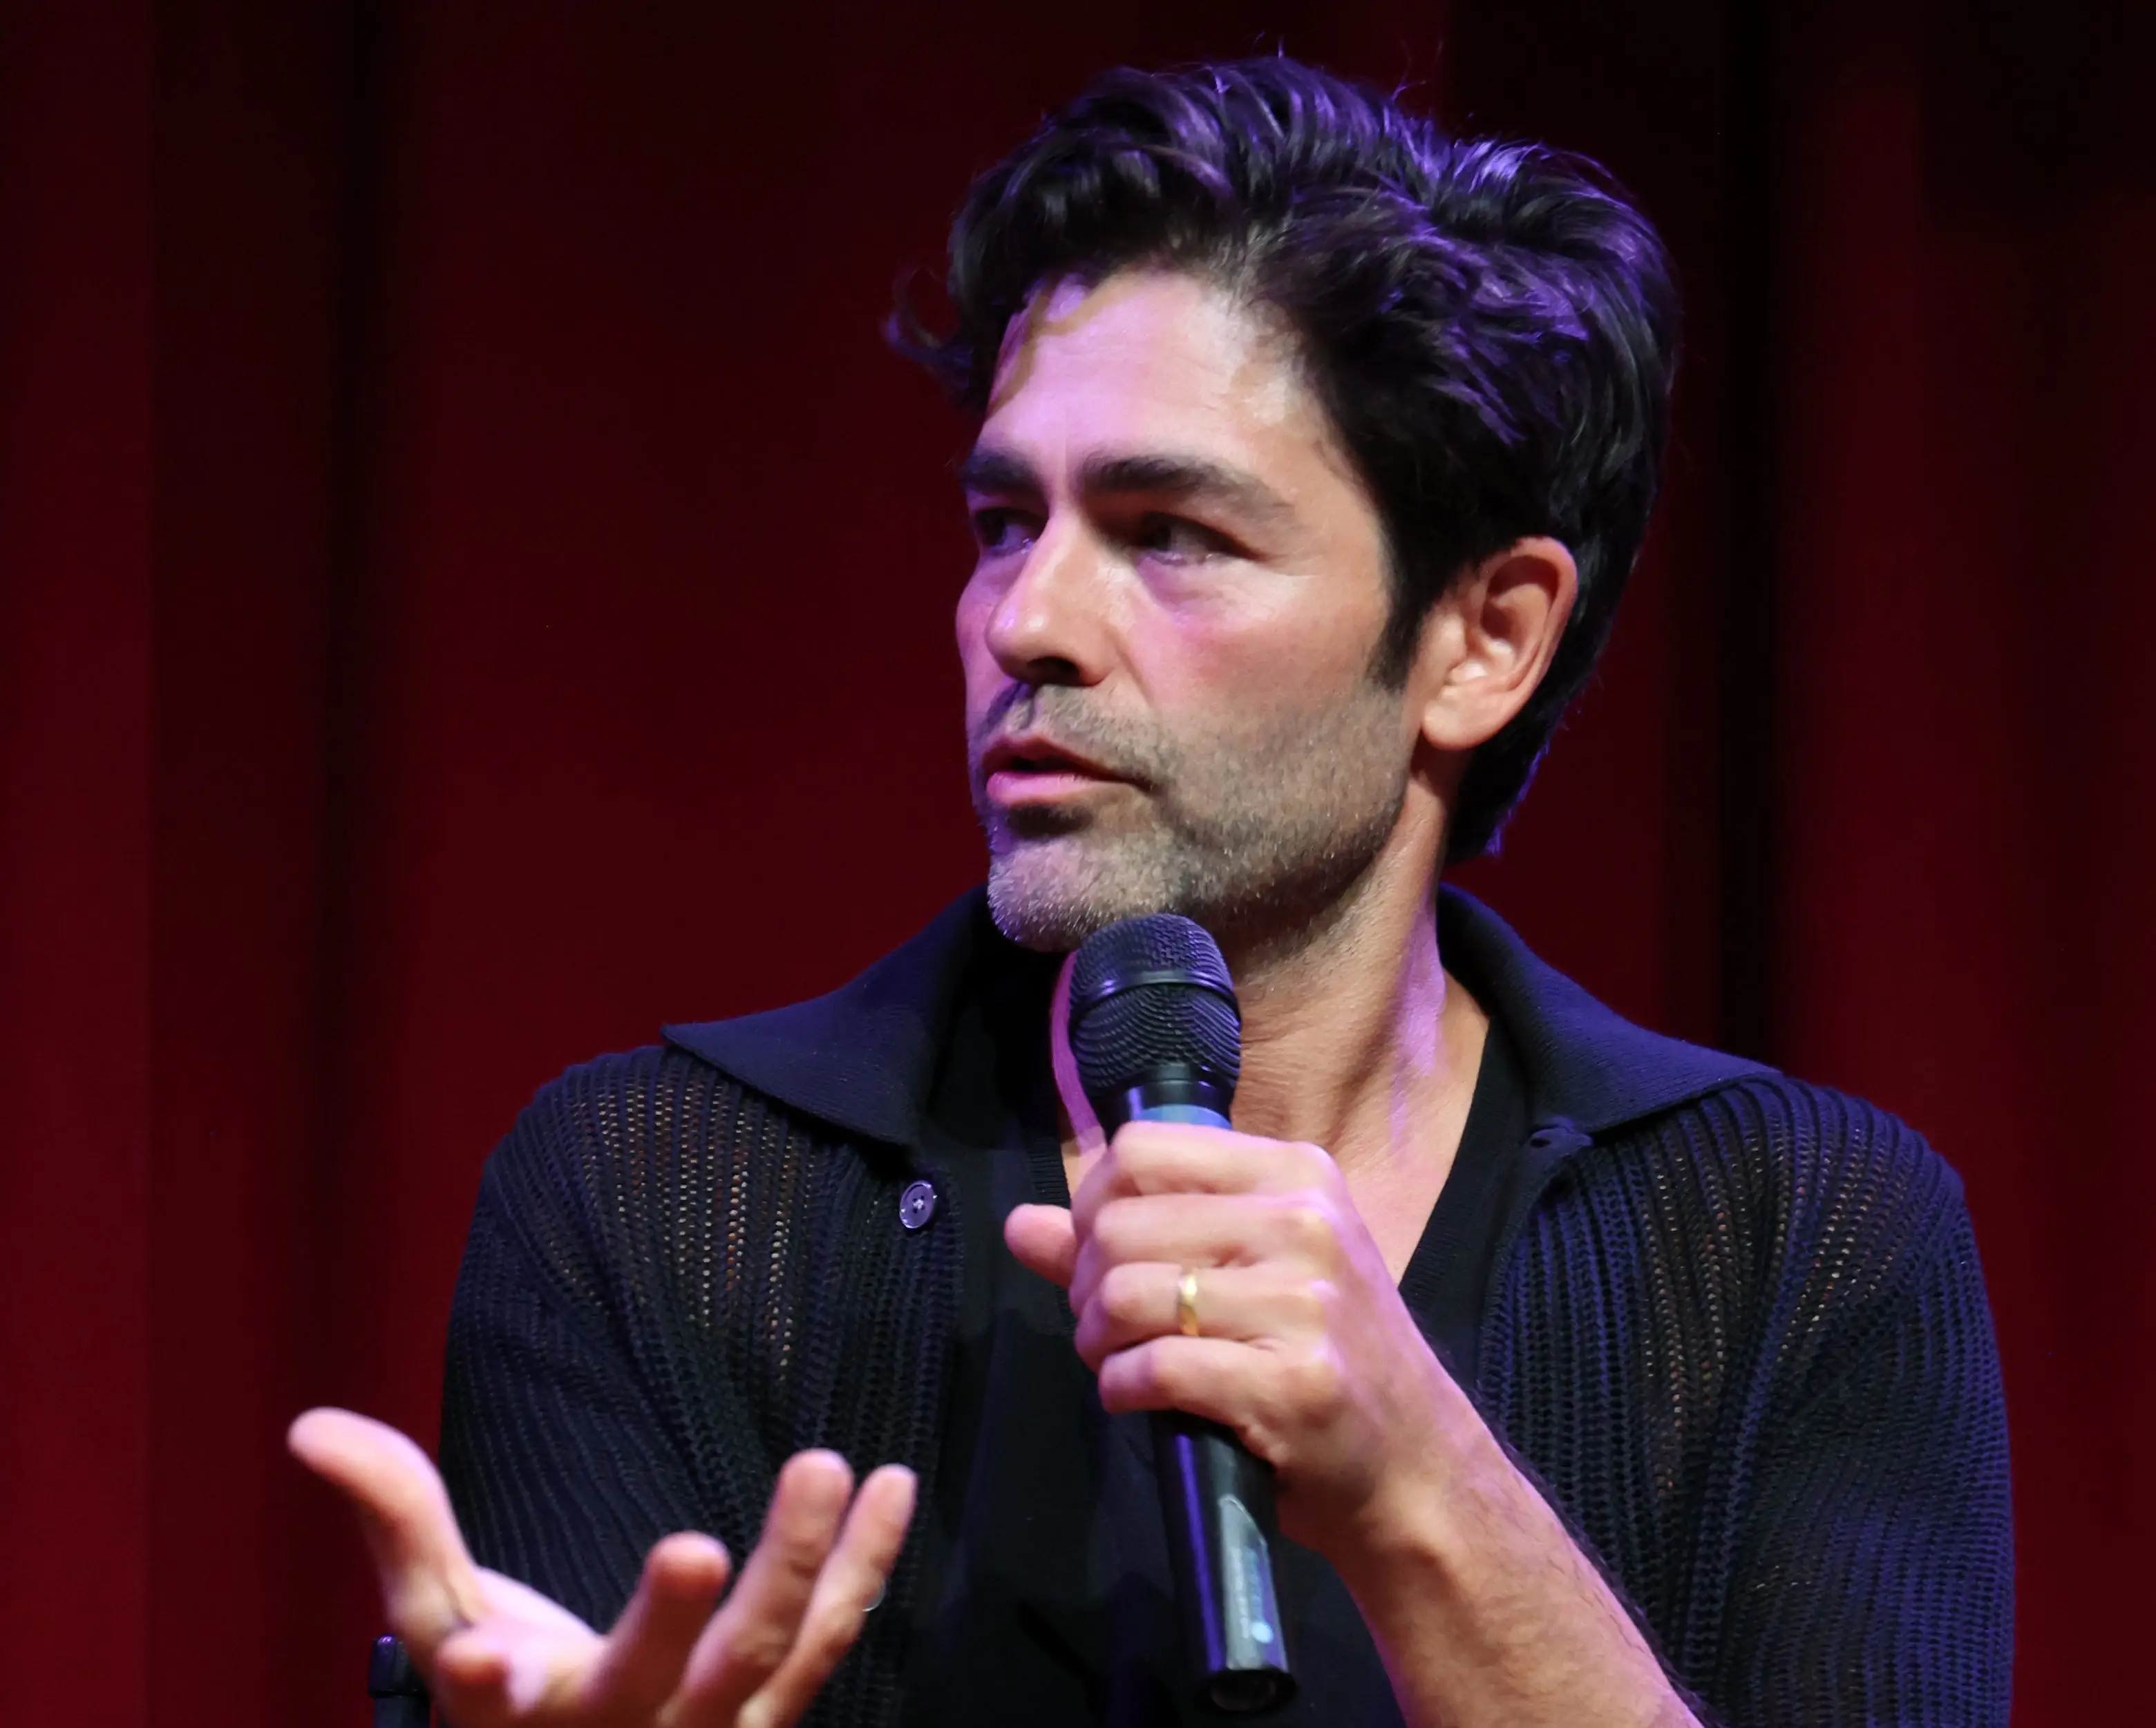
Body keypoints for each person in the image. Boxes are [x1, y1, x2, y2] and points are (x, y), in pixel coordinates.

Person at [291, 57, 2013, 1728]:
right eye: (995, 519)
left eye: (1167, 531)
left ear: (1482, 638)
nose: (1023, 619)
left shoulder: (1798, 1244)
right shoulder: (659, 1202)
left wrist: (1428, 1491)